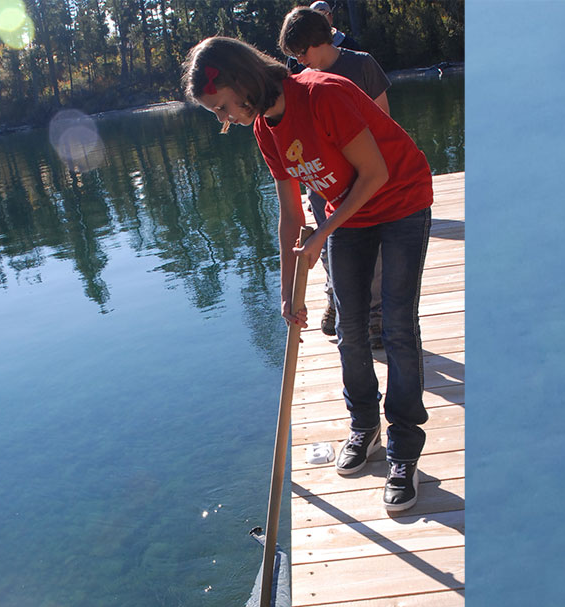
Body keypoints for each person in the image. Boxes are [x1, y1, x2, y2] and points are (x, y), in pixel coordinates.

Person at [182, 36, 433, 511]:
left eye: (220, 106)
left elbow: (376, 173)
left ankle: (404, 450)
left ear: (240, 82)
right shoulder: (264, 129)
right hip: (350, 213)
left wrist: (323, 234)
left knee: (397, 327)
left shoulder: (322, 94)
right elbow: (291, 215)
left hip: (400, 199)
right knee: (349, 328)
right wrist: (285, 292)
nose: (223, 119)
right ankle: (365, 428)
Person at [281, 5, 390, 348]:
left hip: (363, 180)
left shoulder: (361, 64)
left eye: (300, 52)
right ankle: (335, 296)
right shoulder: (298, 80)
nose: (298, 60)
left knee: (373, 249)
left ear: (317, 41)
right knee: (327, 244)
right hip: (323, 184)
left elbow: (385, 123)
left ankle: (375, 314)